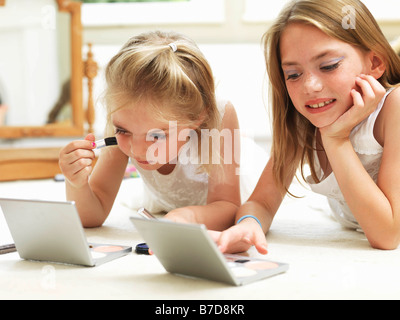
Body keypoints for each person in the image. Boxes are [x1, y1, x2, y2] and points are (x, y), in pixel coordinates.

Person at [217, 0, 400, 254]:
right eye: (293, 74)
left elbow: (387, 235)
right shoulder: (304, 123)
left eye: (329, 66)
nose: (310, 86)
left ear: (376, 62)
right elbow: (261, 202)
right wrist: (250, 223)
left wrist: (336, 139)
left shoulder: (394, 108)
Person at [59, 31, 242, 230]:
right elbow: (91, 217)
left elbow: (228, 207)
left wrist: (184, 217)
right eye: (122, 130)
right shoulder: (125, 115)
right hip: (167, 205)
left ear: (198, 118)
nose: (137, 150)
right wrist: (76, 183)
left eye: (156, 135)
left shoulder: (220, 116)